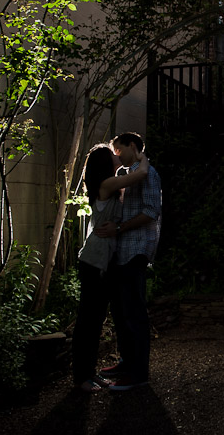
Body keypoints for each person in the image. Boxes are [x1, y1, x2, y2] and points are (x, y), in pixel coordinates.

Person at [72, 143, 149, 393]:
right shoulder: (106, 185)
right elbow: (141, 174)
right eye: (112, 156)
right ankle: (82, 377)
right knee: (88, 323)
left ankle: (89, 374)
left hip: (103, 263)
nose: (117, 157)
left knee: (95, 321)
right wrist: (141, 155)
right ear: (105, 163)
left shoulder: (110, 187)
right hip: (94, 262)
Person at [97, 132, 162, 391]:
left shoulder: (149, 173)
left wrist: (120, 228)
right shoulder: (128, 174)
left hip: (136, 249)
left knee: (134, 314)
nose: (117, 154)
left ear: (132, 146)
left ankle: (138, 374)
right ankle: (126, 363)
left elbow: (150, 211)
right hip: (123, 249)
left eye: (119, 149)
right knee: (122, 312)